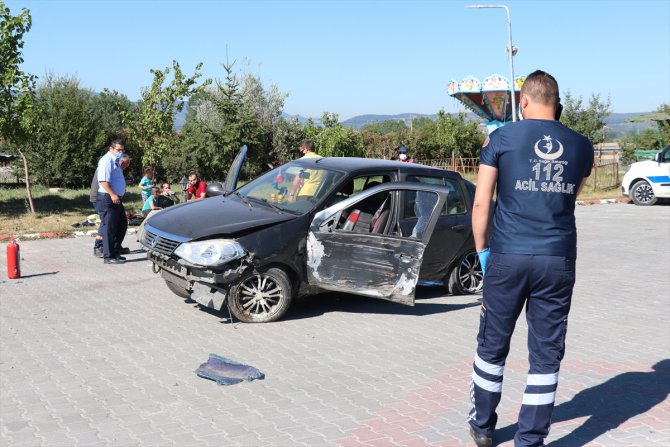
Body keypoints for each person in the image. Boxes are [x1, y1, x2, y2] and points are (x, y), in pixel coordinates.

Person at [467, 70, 594, 447]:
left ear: (523, 101)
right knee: (546, 354)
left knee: (492, 345)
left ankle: (483, 426)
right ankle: (531, 439)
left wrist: (483, 253)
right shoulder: (582, 146)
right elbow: (571, 199)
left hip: (507, 256)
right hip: (557, 258)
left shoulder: (500, 139)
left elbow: (481, 203)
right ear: (557, 103)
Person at [96, 139, 129, 265]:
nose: (120, 152)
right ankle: (108, 256)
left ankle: (115, 252)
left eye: (122, 150)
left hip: (116, 198)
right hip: (108, 197)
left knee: (121, 225)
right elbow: (103, 181)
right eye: (118, 150)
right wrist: (113, 194)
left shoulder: (115, 161)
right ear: (111, 149)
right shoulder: (106, 160)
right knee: (109, 227)